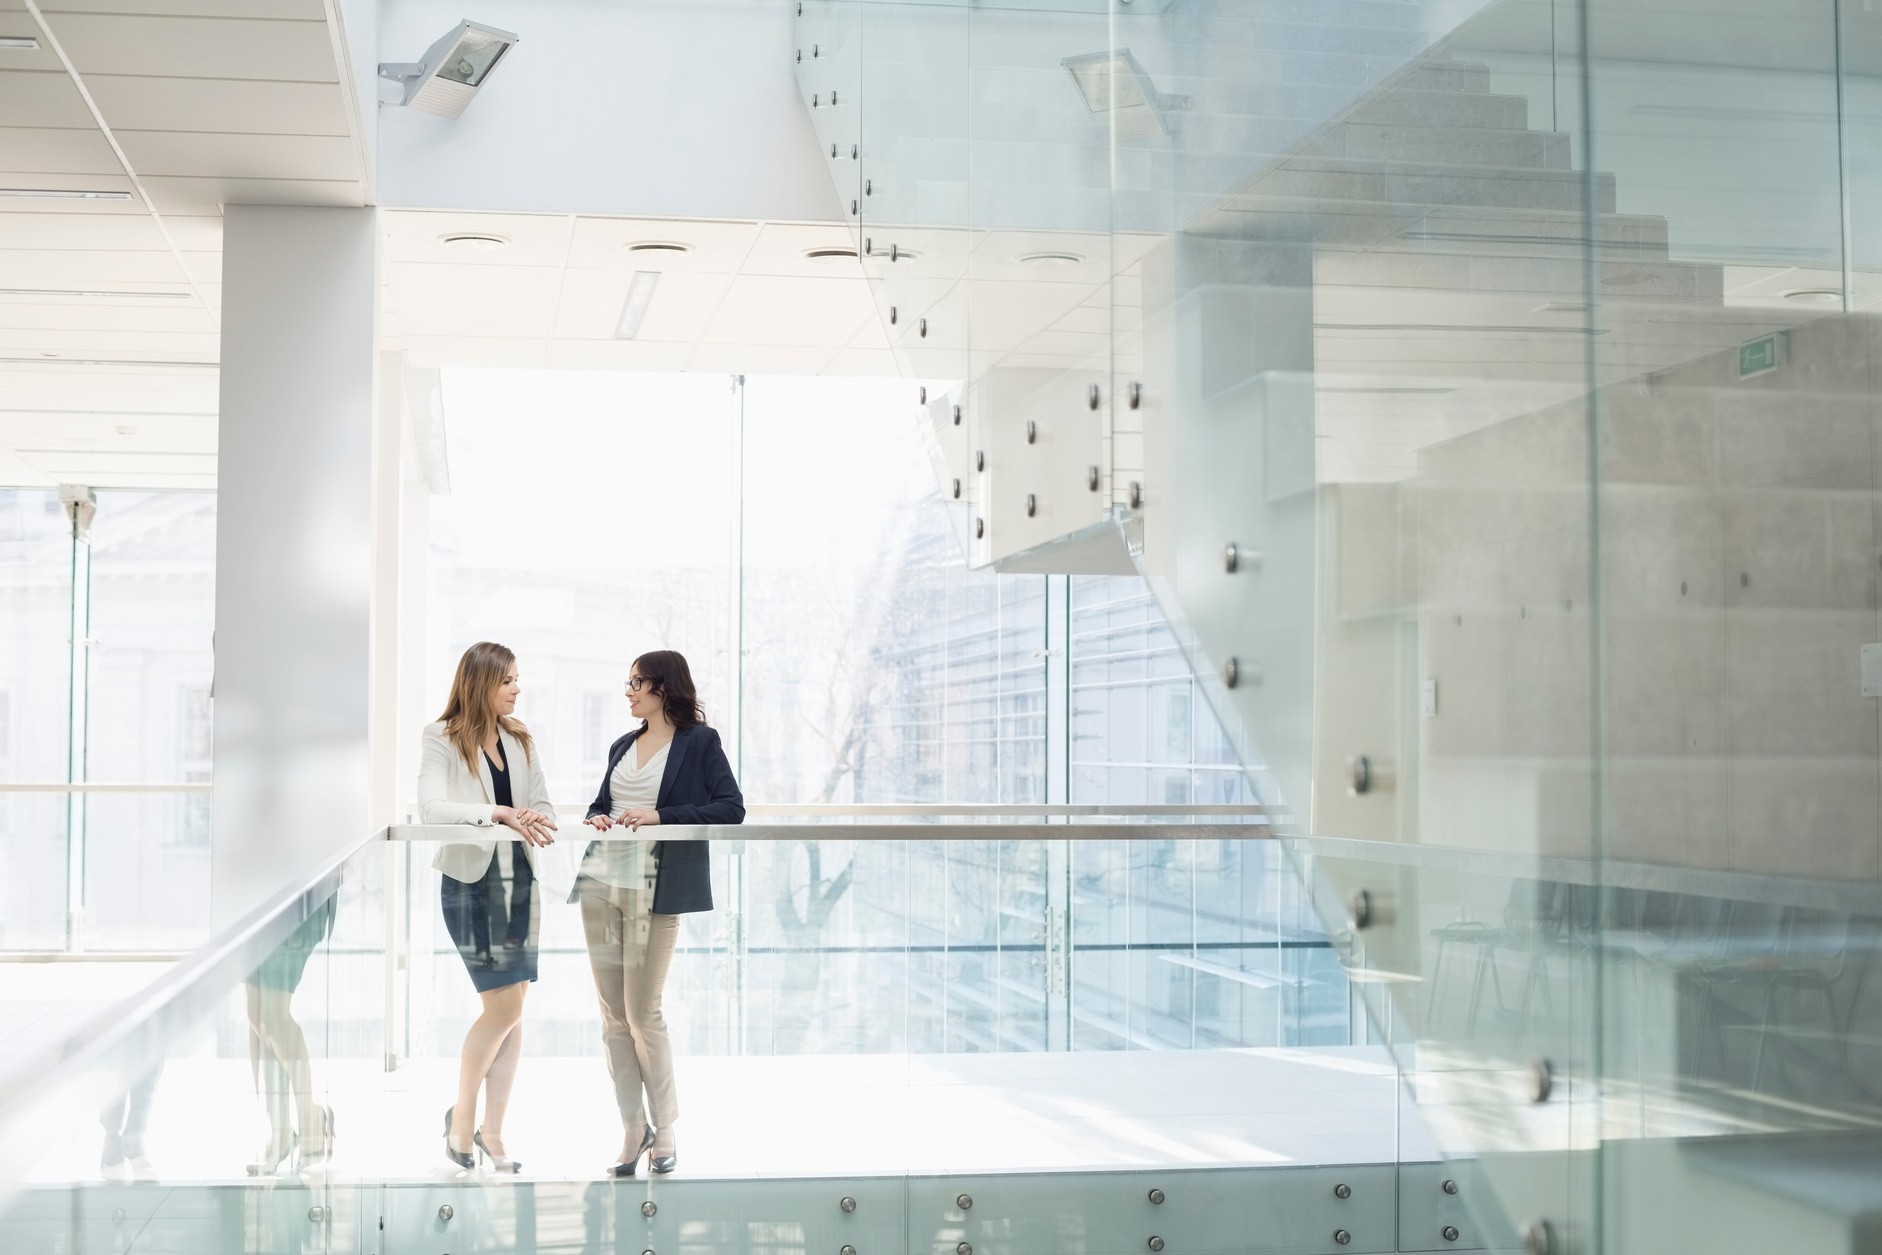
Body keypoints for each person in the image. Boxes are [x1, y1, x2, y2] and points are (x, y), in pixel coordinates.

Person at [579, 649, 742, 1176]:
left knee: (642, 1011)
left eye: (636, 682)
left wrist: (660, 815)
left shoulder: (700, 742)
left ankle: (665, 1127)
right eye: (626, 682)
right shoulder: (622, 744)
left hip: (657, 887)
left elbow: (731, 807)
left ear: (664, 687)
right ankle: (633, 1128)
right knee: (611, 1019)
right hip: (602, 884)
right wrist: (597, 818)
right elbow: (600, 803)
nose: (627, 691)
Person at [418, 641, 557, 1174]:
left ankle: (492, 1132)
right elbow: (431, 807)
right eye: (508, 681)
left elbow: (541, 803)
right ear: (481, 684)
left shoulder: (520, 738)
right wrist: (497, 812)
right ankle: (462, 1119)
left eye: (518, 679)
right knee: (504, 1009)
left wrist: (530, 817)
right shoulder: (441, 737)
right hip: (470, 882)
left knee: (514, 1012)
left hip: (520, 880)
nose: (517, 689)